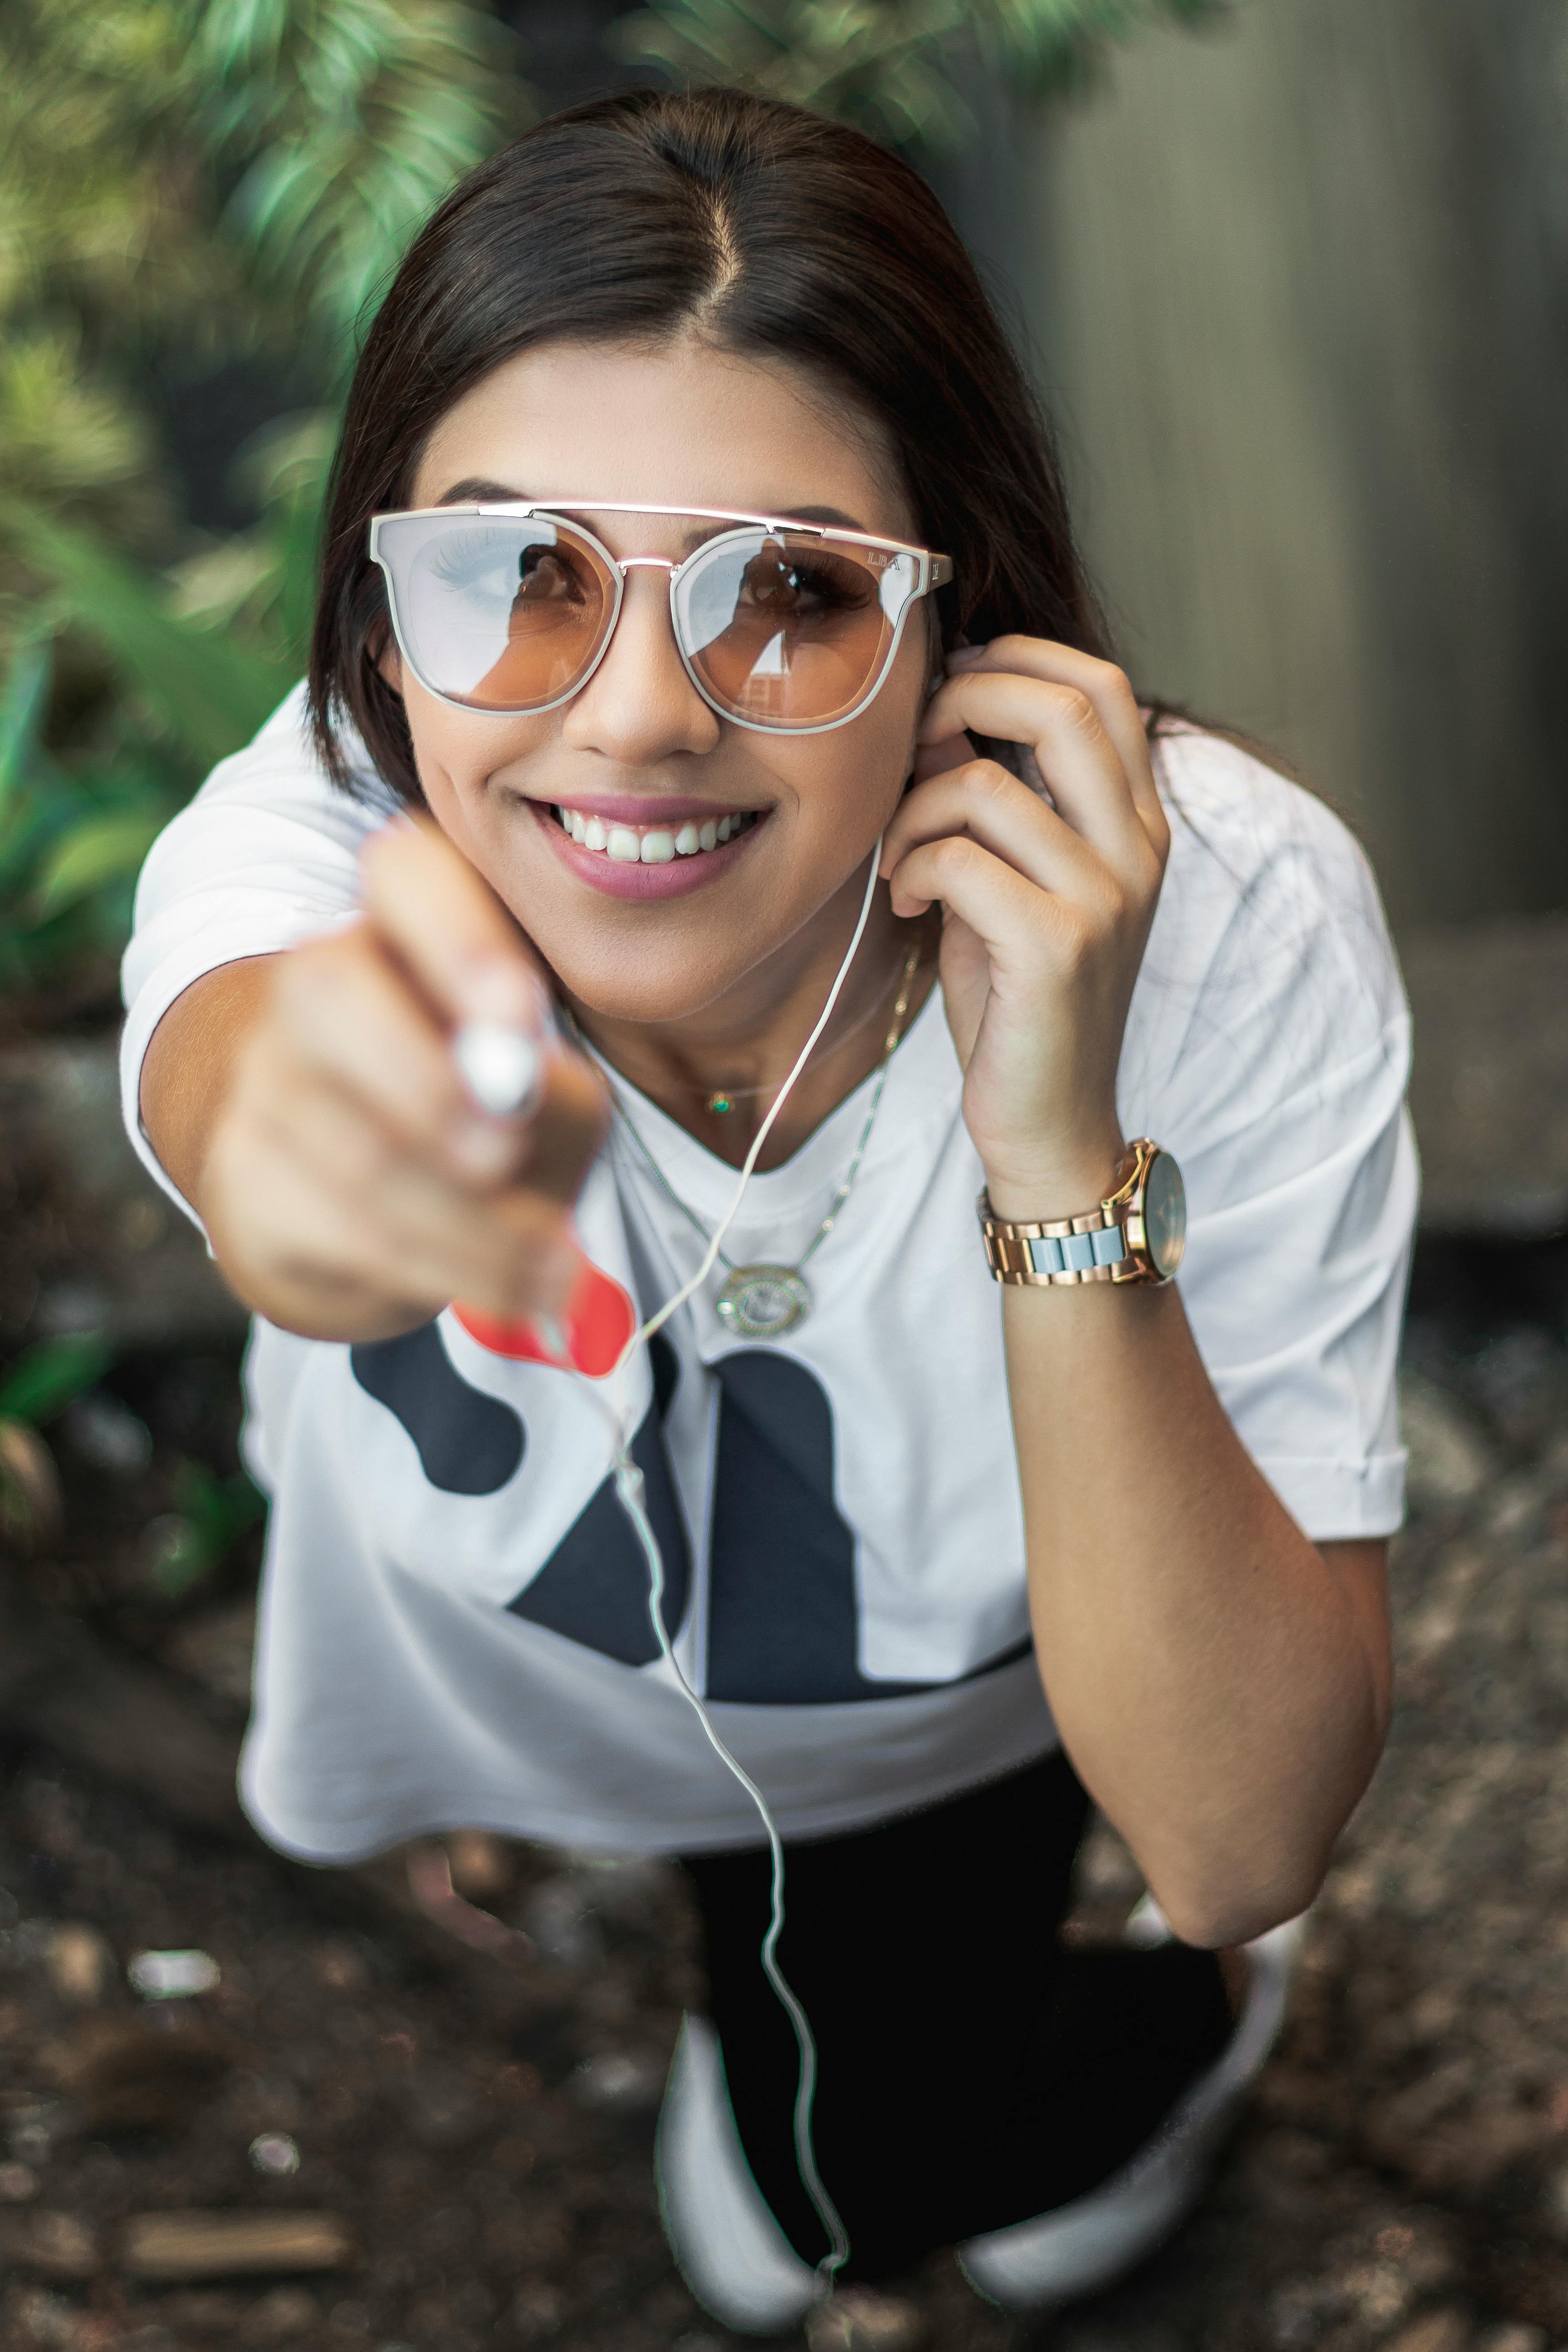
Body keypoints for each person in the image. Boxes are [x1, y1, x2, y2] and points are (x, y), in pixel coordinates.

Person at [122, 86, 1414, 2332]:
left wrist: (1055, 1141)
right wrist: (331, 1162)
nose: (633, 718)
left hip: (944, 1740)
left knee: (829, 2222)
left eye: (794, 592)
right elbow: (267, 1104)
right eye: (511, 575)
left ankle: (1186, 2044)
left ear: (959, 628)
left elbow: (1234, 1837)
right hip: (534, 1701)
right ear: (381, 613)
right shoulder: (326, 848)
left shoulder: (1221, 918)